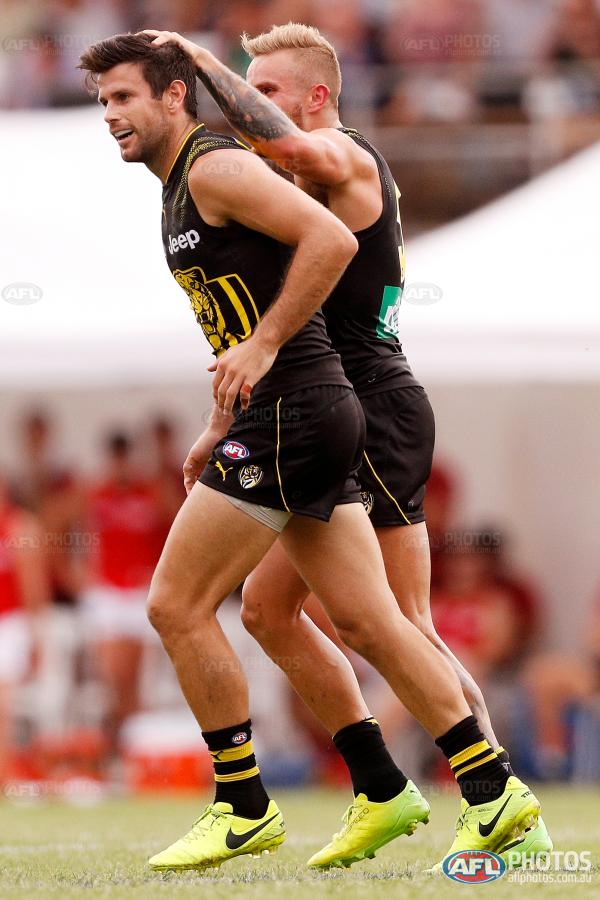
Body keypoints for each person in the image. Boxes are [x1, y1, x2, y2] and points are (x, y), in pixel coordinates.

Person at [78, 32, 540, 873]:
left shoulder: (291, 158)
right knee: (329, 616)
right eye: (100, 101)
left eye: (123, 97)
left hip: (343, 404)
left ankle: (247, 801)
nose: (108, 115)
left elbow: (319, 246)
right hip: (315, 404)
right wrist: (222, 413)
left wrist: (196, 60)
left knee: (185, 606)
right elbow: (242, 317)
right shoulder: (211, 180)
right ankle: (463, 789)